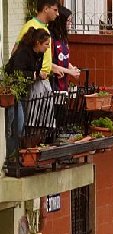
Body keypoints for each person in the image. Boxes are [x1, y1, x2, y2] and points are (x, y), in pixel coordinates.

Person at [4, 28, 52, 158]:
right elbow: (17, 72)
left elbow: (35, 70)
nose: (48, 47)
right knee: (16, 125)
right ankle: (10, 156)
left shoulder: (39, 54)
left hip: (25, 91)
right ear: (38, 43)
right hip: (13, 91)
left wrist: (38, 74)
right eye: (46, 44)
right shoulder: (23, 52)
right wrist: (35, 74)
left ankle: (15, 154)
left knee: (21, 126)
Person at [47, 5, 80, 92]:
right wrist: (69, 72)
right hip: (53, 82)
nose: (70, 23)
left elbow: (63, 58)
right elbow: (48, 63)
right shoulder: (50, 37)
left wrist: (72, 68)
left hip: (63, 83)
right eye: (68, 21)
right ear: (61, 21)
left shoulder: (63, 38)